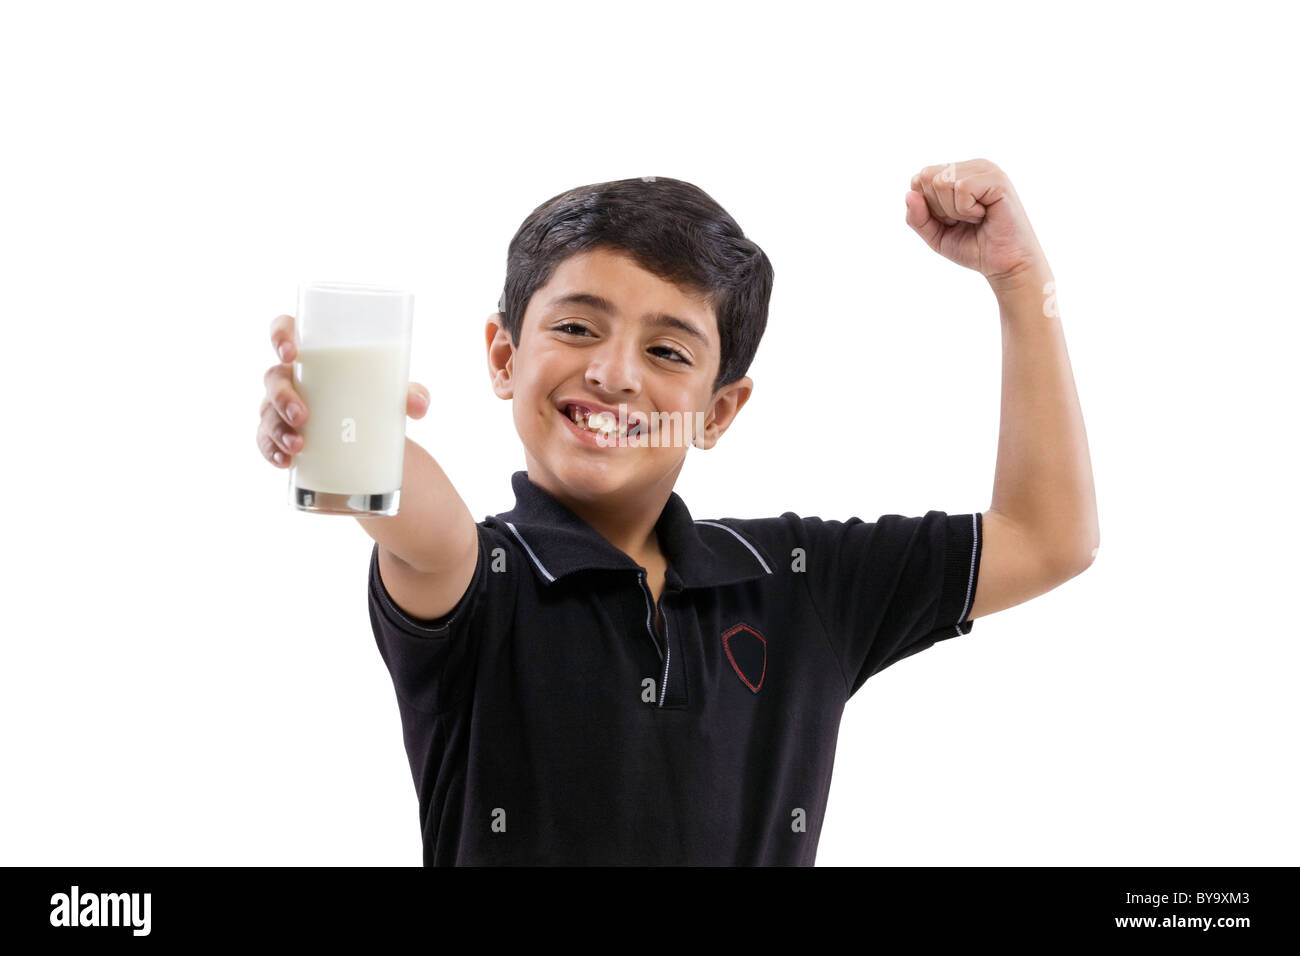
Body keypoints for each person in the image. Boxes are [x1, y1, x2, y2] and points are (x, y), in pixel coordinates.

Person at [256, 163, 1099, 865]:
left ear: (719, 411)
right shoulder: (481, 582)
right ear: (504, 356)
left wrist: (1021, 282)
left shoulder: (800, 583)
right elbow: (421, 523)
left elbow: (1047, 537)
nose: (615, 374)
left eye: (667, 351)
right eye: (578, 327)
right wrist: (343, 430)